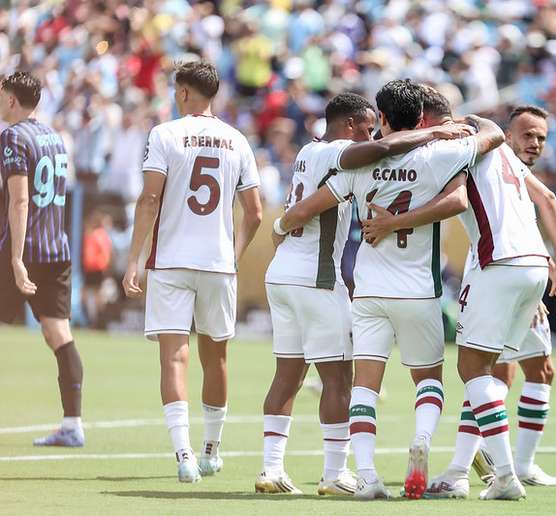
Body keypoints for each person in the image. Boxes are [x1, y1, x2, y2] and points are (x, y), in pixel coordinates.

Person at [274, 79, 503, 500]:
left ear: (381, 117)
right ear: (421, 119)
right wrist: (464, 123)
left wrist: (281, 226)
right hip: (418, 289)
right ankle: (421, 439)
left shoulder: (360, 163)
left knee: (364, 385)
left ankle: (366, 475)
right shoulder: (442, 154)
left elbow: (310, 206)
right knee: (428, 379)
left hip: (368, 291)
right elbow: (494, 136)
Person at [361, 95, 556, 499]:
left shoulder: (456, 146)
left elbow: (456, 200)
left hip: (498, 264)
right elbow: (547, 198)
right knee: (492, 371)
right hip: (534, 264)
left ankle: (501, 475)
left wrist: (395, 222)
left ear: (426, 121)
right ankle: (467, 468)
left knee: (475, 369)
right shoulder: (500, 149)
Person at [122, 61, 263, 482]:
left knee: (174, 356)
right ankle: (210, 451)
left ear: (183, 92)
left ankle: (183, 456)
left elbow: (150, 199)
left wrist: (133, 260)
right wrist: (234, 255)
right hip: (218, 263)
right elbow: (254, 212)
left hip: (171, 260)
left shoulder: (164, 134)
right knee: (216, 357)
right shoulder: (237, 140)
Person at [0, 71, 85, 447]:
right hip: (56, 250)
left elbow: (20, 200)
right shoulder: (55, 136)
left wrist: (16, 259)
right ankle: (73, 424)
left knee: (57, 334)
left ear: (12, 100)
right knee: (58, 334)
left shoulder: (12, 137)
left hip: (23, 250)